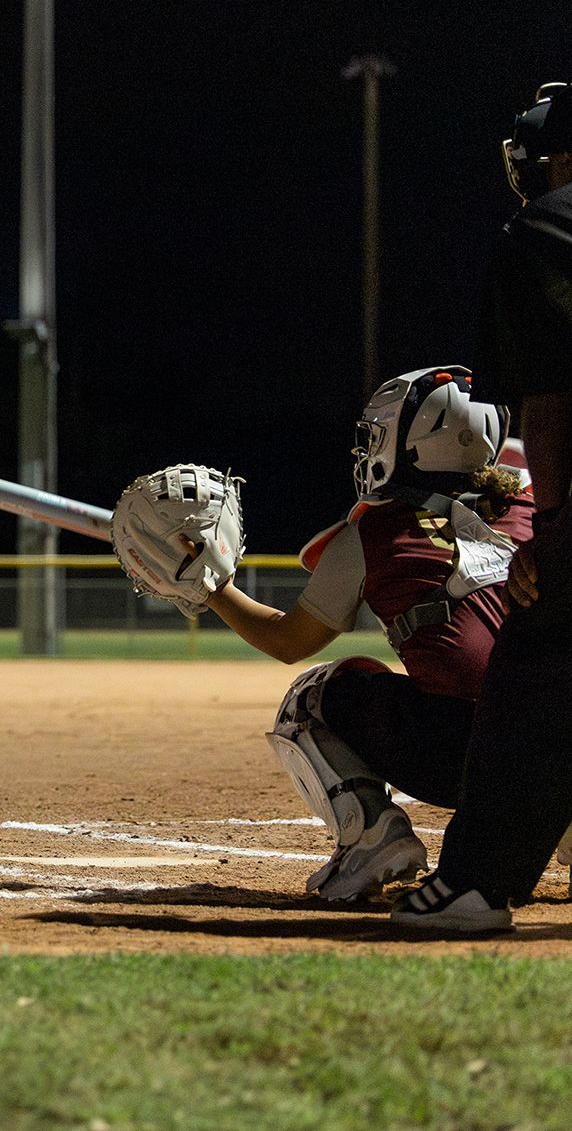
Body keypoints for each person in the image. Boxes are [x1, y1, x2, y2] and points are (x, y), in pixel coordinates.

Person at [198, 367, 530, 901]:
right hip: (554, 747)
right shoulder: (536, 515)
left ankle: (373, 840)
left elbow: (288, 642)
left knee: (311, 698)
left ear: (415, 444)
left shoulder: (372, 535)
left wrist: (211, 589)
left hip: (471, 756)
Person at [391, 84, 572, 933]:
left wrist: (552, 525)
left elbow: (549, 400)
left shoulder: (544, 231)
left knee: (538, 675)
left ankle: (475, 884)